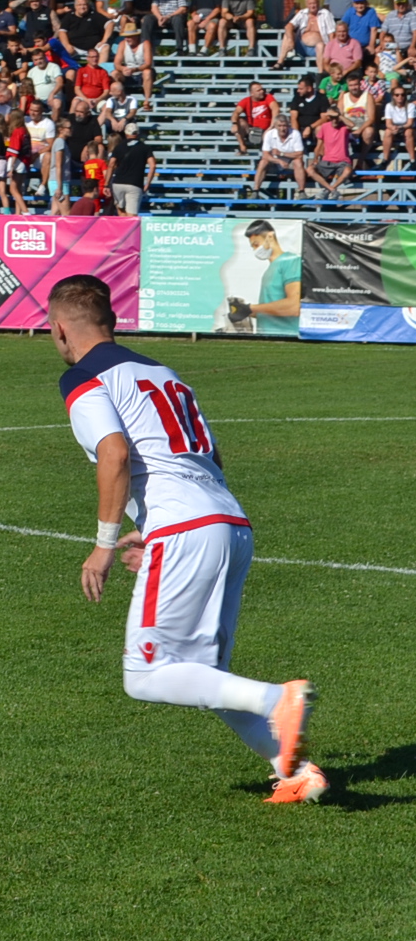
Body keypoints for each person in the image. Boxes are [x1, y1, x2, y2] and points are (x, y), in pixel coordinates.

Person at [47, 273, 322, 804]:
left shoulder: (83, 376)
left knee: (146, 675)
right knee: (202, 675)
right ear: (113, 321)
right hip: (228, 522)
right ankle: (296, 771)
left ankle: (278, 699)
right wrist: (154, 529)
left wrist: (104, 544)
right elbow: (208, 456)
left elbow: (114, 453)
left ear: (59, 329)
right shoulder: (163, 371)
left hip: (187, 527)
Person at [230, 220, 301, 336]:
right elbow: (270, 311)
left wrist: (250, 308)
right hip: (266, 338)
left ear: (270, 236)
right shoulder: (271, 269)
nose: (255, 250)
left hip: (285, 338)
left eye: (256, 244)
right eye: (252, 247)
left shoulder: (291, 261)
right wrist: (243, 310)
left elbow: (294, 306)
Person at [253, 112, 307, 194]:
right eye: (279, 126)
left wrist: (281, 154)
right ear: (275, 126)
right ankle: (256, 190)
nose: (282, 129)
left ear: (288, 125)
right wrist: (279, 161)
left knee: (298, 162)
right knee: (263, 162)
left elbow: (299, 154)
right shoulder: (269, 134)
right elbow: (265, 155)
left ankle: (302, 191)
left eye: (284, 126)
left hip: (290, 162)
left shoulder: (295, 134)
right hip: (274, 162)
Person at [108, 122, 156, 213]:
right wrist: (148, 183)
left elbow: (111, 164)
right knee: (132, 215)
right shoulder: (145, 148)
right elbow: (152, 165)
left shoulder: (119, 147)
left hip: (118, 182)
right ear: (138, 133)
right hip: (135, 183)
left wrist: (106, 184)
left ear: (126, 133)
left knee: (121, 211)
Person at [233, 82, 279, 155]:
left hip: (267, 129)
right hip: (251, 129)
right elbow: (236, 113)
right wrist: (234, 123)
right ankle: (242, 147)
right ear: (252, 93)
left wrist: (271, 126)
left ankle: (267, 154)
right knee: (237, 125)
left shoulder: (268, 97)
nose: (262, 91)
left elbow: (275, 109)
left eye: (262, 89)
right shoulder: (246, 101)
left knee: (271, 133)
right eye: (258, 90)